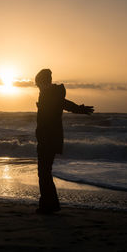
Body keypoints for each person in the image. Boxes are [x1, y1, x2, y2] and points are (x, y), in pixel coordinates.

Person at [35, 69, 94, 214]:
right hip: (46, 137)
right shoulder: (48, 93)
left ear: (44, 82)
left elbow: (65, 104)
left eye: (38, 84)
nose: (37, 86)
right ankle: (49, 204)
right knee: (44, 172)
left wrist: (80, 109)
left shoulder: (51, 94)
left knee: (44, 172)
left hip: (49, 139)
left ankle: (48, 205)